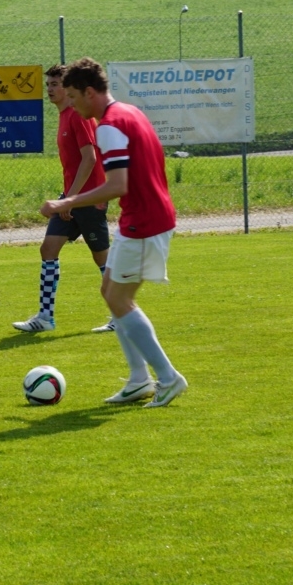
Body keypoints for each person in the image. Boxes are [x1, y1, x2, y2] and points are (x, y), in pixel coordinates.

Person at [40, 58, 188, 408]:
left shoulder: (108, 126)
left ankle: (168, 377)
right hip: (143, 217)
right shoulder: (130, 112)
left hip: (145, 221)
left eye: (73, 95)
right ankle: (138, 380)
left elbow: (117, 184)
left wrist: (67, 202)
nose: (70, 103)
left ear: (89, 92)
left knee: (120, 300)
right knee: (110, 291)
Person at [13, 64, 114, 334]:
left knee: (102, 259)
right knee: (48, 249)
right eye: (48, 84)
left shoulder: (78, 116)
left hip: (89, 199)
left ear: (69, 89)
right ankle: (45, 317)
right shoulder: (64, 116)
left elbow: (90, 159)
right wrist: (67, 199)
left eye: (55, 84)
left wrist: (69, 199)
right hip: (72, 197)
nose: (50, 89)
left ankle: (123, 315)